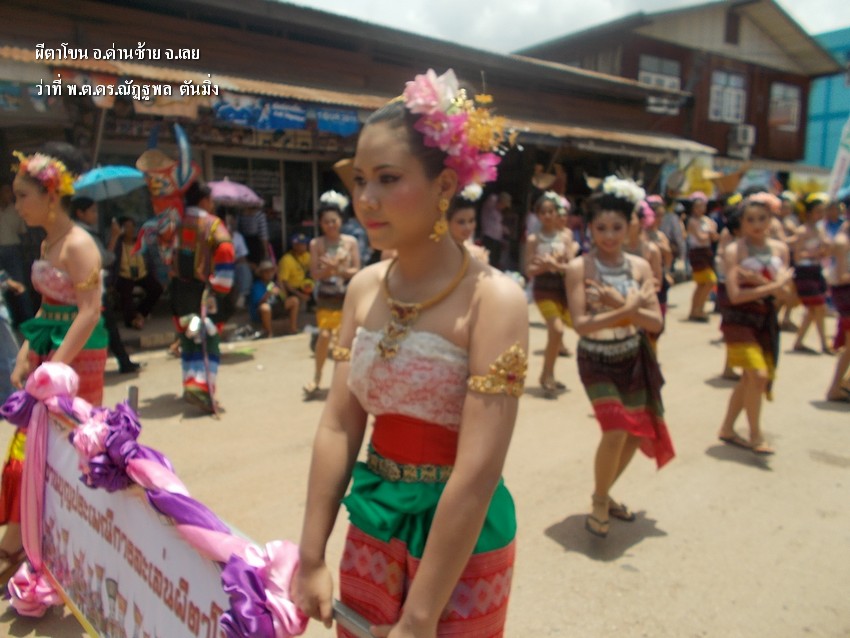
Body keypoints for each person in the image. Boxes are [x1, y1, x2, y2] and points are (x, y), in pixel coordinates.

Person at [293, 68, 528, 637]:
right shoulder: (363, 288)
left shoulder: (493, 300)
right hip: (374, 520)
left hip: (459, 543)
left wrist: (420, 617)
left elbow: (477, 471)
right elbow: (339, 425)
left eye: (388, 179)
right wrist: (311, 556)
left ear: (445, 185)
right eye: (360, 180)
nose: (365, 199)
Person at [1, 144, 108, 580]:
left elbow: (90, 312)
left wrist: (54, 370)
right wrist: (27, 354)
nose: (17, 205)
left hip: (78, 361)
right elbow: (48, 308)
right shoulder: (49, 242)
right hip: (52, 354)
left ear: (50, 195)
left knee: (59, 450)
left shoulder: (79, 245)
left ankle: (26, 546)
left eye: (22, 196)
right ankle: (23, 540)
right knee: (32, 445)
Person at [565, 175, 672, 539]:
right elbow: (581, 325)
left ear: (630, 227)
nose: (609, 235)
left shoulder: (640, 266)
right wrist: (626, 308)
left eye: (616, 227)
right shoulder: (579, 268)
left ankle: (605, 491)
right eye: (600, 228)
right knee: (615, 429)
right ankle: (599, 499)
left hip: (633, 355)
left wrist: (619, 308)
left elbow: (655, 322)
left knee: (634, 433)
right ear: (589, 229)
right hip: (596, 359)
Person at [717, 193, 793, 455]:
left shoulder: (781, 249)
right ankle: (756, 435)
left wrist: (764, 284)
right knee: (757, 376)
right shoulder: (734, 251)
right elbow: (735, 295)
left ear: (771, 220)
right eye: (750, 219)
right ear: (742, 223)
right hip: (739, 321)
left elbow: (787, 295)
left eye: (762, 218)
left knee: (749, 379)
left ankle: (727, 428)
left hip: (766, 320)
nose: (757, 224)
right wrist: (772, 286)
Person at [169, 181, 235, 413]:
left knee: (188, 337)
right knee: (208, 340)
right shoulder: (212, 225)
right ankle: (201, 389)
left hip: (179, 291)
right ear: (204, 200)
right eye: (211, 200)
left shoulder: (175, 223)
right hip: (204, 292)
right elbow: (225, 250)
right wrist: (221, 286)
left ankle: (189, 384)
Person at [71, 197, 141, 374]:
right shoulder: (85, 235)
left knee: (104, 326)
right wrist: (115, 237)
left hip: (83, 288)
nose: (96, 215)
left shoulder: (77, 232)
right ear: (80, 213)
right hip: (90, 289)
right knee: (107, 326)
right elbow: (104, 259)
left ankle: (122, 361)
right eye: (92, 211)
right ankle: (122, 362)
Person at [303, 194, 361, 399]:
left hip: (347, 298)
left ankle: (342, 383)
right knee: (325, 336)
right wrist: (329, 270)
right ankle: (317, 377)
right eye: (326, 221)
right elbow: (314, 273)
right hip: (326, 298)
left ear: (341, 221)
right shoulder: (316, 243)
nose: (330, 225)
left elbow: (357, 270)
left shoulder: (351, 242)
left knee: (343, 341)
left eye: (333, 220)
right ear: (320, 223)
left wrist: (339, 269)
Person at [526, 191, 577, 398]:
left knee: (568, 329)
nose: (547, 215)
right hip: (543, 290)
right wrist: (544, 267)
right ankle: (547, 375)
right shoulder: (533, 239)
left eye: (551, 211)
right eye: (543, 212)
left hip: (563, 290)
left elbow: (572, 266)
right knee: (556, 330)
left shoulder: (566, 237)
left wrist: (555, 264)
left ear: (557, 213)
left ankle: (549, 374)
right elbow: (528, 269)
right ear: (538, 215)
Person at [791, 193, 832, 354]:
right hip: (804, 272)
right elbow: (797, 256)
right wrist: (813, 253)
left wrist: (824, 250)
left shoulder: (820, 230)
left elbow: (825, 251)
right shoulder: (802, 231)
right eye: (818, 211)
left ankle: (799, 341)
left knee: (813, 310)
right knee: (819, 306)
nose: (821, 214)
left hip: (816, 270)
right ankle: (824, 343)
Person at [113, 216, 163, 330]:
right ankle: (131, 320)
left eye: (132, 227)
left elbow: (150, 260)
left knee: (157, 289)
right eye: (127, 227)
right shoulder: (118, 244)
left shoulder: (141, 242)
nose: (131, 230)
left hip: (141, 274)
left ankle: (141, 313)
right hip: (125, 275)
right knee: (126, 293)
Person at [0, 184, 34, 325]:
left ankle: (28, 320)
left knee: (19, 285)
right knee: (3, 288)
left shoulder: (16, 209)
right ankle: (9, 322)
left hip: (13, 250)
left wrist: (26, 252)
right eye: (6, 191)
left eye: (10, 192)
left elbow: (23, 232)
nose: (9, 195)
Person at [826, 220, 850, 401]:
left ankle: (843, 384)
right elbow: (841, 276)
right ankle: (835, 387)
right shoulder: (843, 240)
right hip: (845, 293)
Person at [686, 191, 719, 321]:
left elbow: (714, 237)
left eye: (702, 206)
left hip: (706, 252)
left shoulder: (707, 220)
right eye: (697, 206)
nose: (700, 209)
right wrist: (710, 233)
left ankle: (696, 310)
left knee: (701, 284)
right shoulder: (692, 221)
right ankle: (697, 309)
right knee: (710, 281)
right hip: (697, 253)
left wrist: (711, 233)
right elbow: (700, 237)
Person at [248, 259, 298, 337]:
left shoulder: (274, 283)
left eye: (271, 271)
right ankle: (269, 333)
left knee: (294, 300)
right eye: (266, 272)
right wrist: (269, 293)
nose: (269, 274)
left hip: (275, 308)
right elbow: (259, 303)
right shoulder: (257, 285)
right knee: (265, 308)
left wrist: (281, 286)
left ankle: (293, 329)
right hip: (262, 312)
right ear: (261, 273)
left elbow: (284, 298)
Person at [447, 183, 489, 264]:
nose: (468, 227)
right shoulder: (437, 252)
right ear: (447, 222)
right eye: (461, 222)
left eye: (471, 221)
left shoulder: (477, 255)